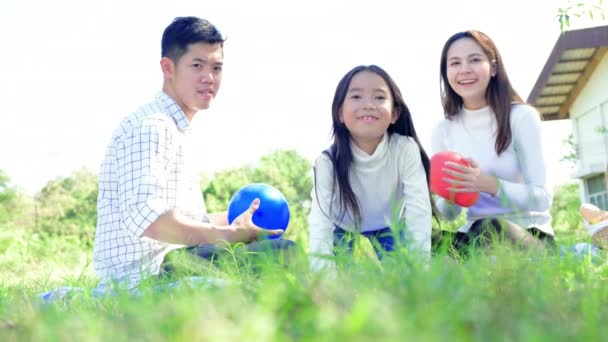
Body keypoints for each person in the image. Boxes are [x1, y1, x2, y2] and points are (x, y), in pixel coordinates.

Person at [94, 17, 292, 288]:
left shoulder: (175, 128)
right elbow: (151, 221)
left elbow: (184, 221)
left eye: (217, 67)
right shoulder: (151, 126)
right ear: (168, 68)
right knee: (284, 255)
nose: (208, 78)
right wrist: (230, 236)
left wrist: (240, 221)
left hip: (174, 261)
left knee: (276, 248)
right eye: (197, 66)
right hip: (144, 277)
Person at [431, 30, 554, 254]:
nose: (465, 69)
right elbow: (449, 215)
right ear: (446, 73)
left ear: (494, 68)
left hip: (528, 234)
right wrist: (450, 193)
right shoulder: (443, 129)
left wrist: (488, 184)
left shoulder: (521, 117)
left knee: (489, 226)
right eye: (455, 63)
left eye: (475, 60)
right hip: (472, 237)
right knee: (419, 238)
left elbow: (542, 199)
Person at [308, 65, 433, 272]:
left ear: (394, 113)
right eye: (356, 97)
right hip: (343, 227)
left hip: (390, 225)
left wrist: (421, 272)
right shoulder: (327, 162)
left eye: (379, 97)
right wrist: (324, 281)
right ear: (340, 113)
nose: (368, 105)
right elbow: (320, 223)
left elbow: (418, 212)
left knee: (404, 274)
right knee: (339, 276)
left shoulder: (405, 149)